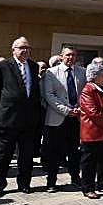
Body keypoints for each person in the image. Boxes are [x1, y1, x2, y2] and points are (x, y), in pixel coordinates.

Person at [0, 37, 41, 198]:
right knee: (2, 154)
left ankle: (24, 183)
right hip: (7, 119)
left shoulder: (33, 66)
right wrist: (1, 111)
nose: (25, 50)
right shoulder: (2, 66)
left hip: (28, 120)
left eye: (27, 47)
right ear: (13, 50)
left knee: (26, 155)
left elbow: (34, 92)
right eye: (21, 48)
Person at [41, 46, 86, 192]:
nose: (70, 58)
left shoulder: (82, 72)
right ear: (61, 56)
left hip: (76, 118)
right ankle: (51, 181)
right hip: (57, 118)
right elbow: (49, 95)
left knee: (75, 152)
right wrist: (66, 111)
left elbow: (85, 93)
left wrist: (79, 109)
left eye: (73, 55)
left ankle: (75, 177)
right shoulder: (51, 73)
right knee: (55, 152)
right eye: (67, 55)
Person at [79, 62, 103, 199]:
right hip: (93, 132)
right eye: (102, 75)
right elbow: (93, 113)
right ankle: (87, 187)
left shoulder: (102, 88)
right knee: (89, 162)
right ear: (94, 76)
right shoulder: (88, 90)